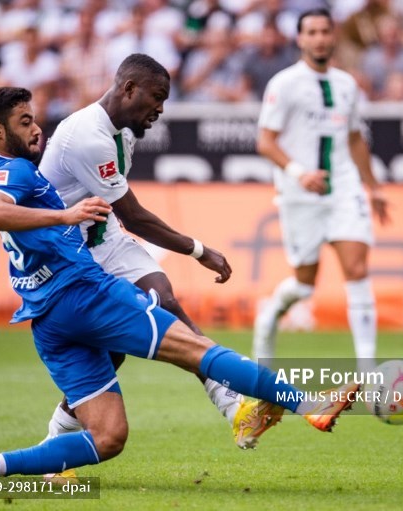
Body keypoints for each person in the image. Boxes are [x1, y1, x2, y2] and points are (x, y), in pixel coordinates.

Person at [0, 86, 359, 482]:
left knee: (109, 436)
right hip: (85, 294)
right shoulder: (16, 168)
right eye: (24, 122)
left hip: (49, 319)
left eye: (34, 119)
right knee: (197, 348)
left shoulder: (6, 172)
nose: (36, 129)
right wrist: (66, 216)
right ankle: (309, 405)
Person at [38, 53, 271, 456]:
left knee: (161, 300)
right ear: (129, 89)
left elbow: (116, 212)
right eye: (157, 97)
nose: (161, 109)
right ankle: (53, 444)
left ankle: (232, 405)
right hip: (66, 249)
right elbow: (134, 216)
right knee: (111, 353)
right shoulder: (87, 136)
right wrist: (199, 250)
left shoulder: (122, 131)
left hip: (100, 232)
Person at [253, 9, 389, 373]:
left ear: (334, 36)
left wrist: (373, 188)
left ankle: (368, 373)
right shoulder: (284, 84)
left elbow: (356, 138)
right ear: (300, 39)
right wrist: (299, 173)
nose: (319, 39)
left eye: (325, 31)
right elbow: (265, 142)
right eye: (311, 32)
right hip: (300, 195)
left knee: (357, 269)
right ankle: (269, 316)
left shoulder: (347, 84)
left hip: (343, 187)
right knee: (304, 286)